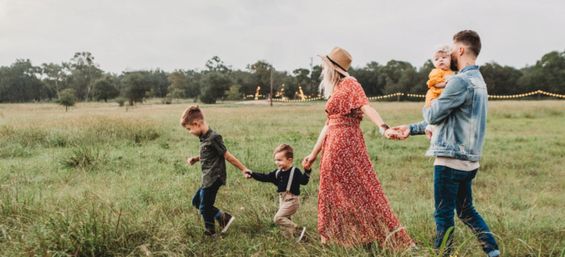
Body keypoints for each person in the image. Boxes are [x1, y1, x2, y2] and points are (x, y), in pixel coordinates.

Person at [391, 30, 500, 257]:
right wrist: (411, 129)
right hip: (470, 160)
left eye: (452, 49)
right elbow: (449, 118)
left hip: (450, 160)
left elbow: (433, 116)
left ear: (460, 50)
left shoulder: (459, 81)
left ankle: (443, 254)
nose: (449, 54)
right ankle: (493, 251)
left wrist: (429, 98)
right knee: (466, 210)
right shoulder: (479, 81)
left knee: (443, 214)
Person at [301, 47, 414, 249]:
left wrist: (383, 128)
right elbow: (328, 124)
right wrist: (313, 154)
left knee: (362, 190)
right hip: (332, 144)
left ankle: (373, 235)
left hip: (346, 144)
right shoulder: (336, 89)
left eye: (324, 65)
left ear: (332, 67)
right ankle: (333, 239)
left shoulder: (350, 83)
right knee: (331, 192)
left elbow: (366, 106)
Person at [181, 105, 251, 237]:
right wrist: (196, 159)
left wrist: (243, 169)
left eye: (189, 129)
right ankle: (223, 218)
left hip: (214, 178)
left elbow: (227, 155)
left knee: (204, 207)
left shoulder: (214, 137)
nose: (189, 132)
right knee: (196, 202)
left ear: (197, 124)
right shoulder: (204, 138)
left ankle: (210, 232)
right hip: (207, 178)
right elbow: (209, 154)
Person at [245, 144, 311, 242]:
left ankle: (298, 230)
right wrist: (252, 174)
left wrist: (307, 170)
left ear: (290, 160)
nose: (277, 162)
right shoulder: (278, 173)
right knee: (285, 223)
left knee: (278, 218)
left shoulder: (295, 171)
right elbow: (265, 177)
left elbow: (304, 181)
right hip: (282, 200)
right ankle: (293, 240)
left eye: (280, 160)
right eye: (276, 160)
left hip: (292, 200)